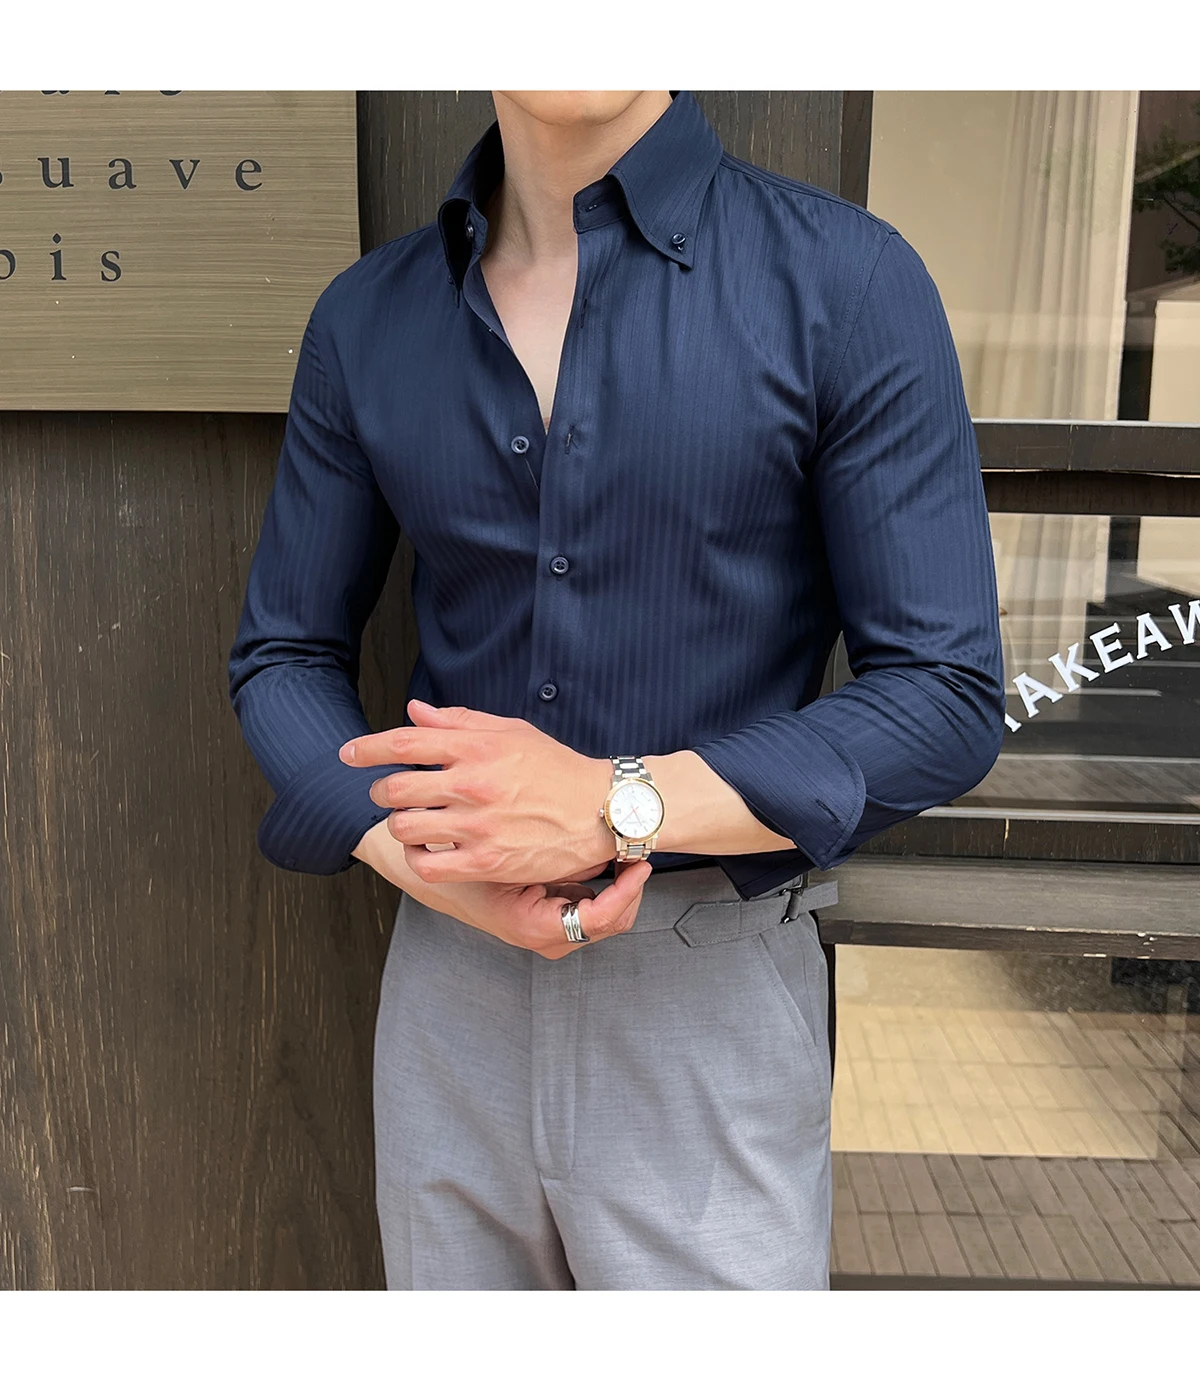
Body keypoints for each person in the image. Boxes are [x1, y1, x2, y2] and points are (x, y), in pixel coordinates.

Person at [227, 89, 1005, 1290]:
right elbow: (283, 653)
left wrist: (611, 803)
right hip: (446, 985)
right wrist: (413, 852)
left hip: (706, 974)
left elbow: (944, 694)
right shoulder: (368, 315)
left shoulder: (845, 281)